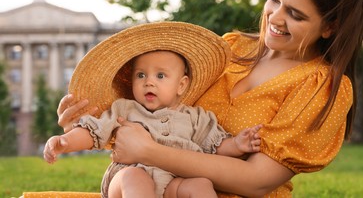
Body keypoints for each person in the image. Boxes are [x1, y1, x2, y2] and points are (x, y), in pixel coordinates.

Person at [54, 0, 363, 198]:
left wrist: (150, 152)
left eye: (295, 14)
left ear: (330, 27)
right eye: (274, 0)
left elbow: (256, 181)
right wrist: (86, 119)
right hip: (157, 187)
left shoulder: (321, 86)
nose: (275, 18)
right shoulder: (228, 49)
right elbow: (155, 115)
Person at [43, 22, 262, 198]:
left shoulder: (195, 117)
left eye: (160, 76)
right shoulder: (125, 109)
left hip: (172, 183)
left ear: (181, 85)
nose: (149, 82)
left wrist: (237, 144)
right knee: (135, 178)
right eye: (141, 75)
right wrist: (66, 142)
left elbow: (215, 144)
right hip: (127, 181)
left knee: (200, 185)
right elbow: (94, 132)